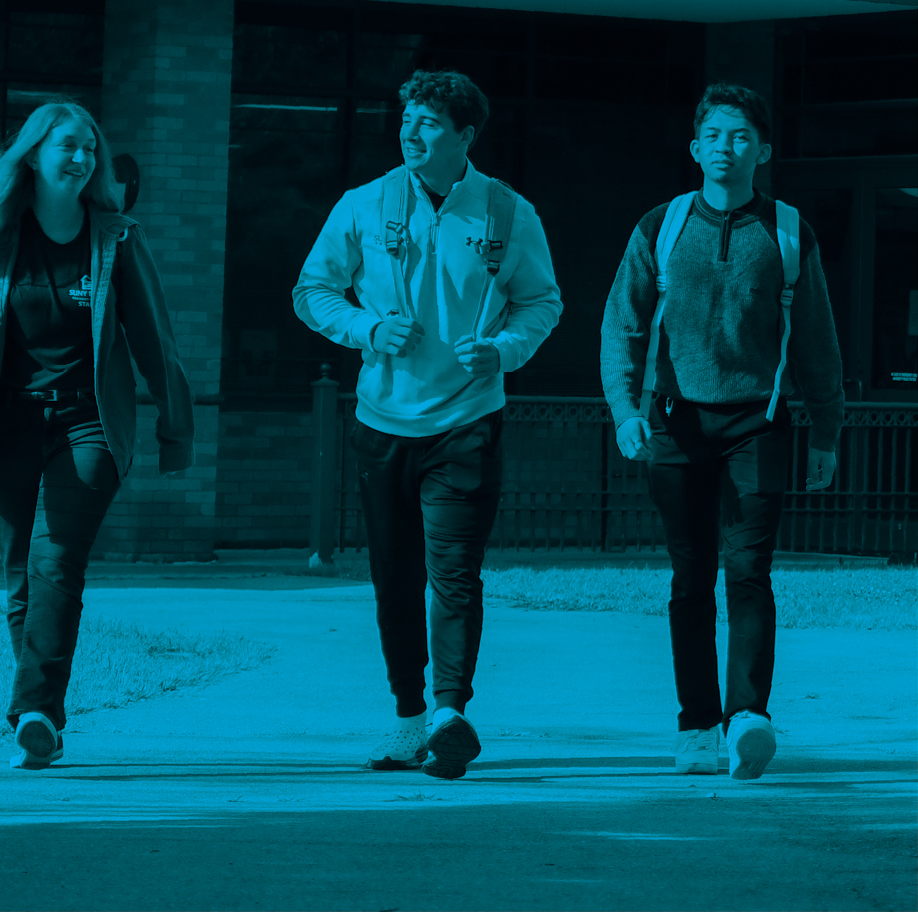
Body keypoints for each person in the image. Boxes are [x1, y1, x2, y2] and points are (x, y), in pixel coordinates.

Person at [293, 70, 562, 779]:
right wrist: (365, 328)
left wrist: (502, 349)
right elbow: (311, 289)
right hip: (383, 420)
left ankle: (450, 713)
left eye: (431, 123)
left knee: (454, 573)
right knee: (395, 576)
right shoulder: (363, 204)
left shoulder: (507, 213)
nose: (412, 131)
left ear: (466, 136)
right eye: (408, 118)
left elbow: (542, 302)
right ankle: (410, 719)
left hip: (468, 421)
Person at [0, 101, 194, 769]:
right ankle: (39, 716)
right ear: (34, 157)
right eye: (68, 147)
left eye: (90, 150)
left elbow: (154, 338)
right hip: (3, 423)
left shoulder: (117, 239)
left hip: (88, 422)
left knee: (56, 559)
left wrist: (173, 426)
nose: (82, 159)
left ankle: (38, 709)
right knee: (21, 574)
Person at [600, 83, 844, 780]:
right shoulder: (662, 225)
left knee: (748, 571)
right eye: (714, 136)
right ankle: (697, 725)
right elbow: (622, 323)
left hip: (758, 424)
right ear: (696, 148)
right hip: (674, 424)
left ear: (761, 151)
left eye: (740, 137)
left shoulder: (789, 233)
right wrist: (625, 411)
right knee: (689, 579)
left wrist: (825, 432)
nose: (726, 148)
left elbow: (818, 343)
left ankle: (747, 718)